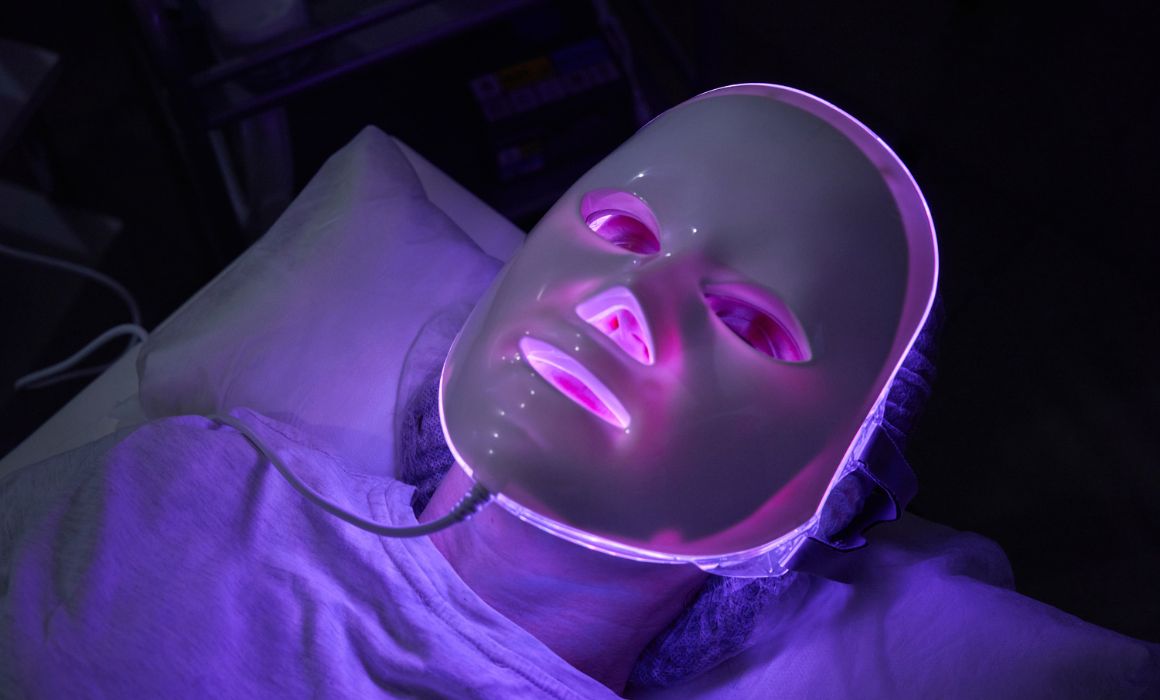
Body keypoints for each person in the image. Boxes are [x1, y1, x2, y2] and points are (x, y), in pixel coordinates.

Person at [2, 86, 1156, 699]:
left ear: (822, 496)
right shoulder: (191, 482)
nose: (622, 304)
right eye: (618, 231)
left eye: (745, 320)